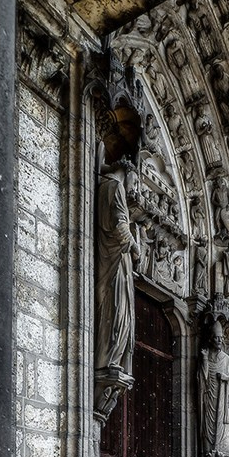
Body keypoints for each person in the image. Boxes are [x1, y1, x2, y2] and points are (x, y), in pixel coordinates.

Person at [95, 160, 139, 374]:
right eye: (136, 180)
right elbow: (119, 224)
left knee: (115, 310)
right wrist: (135, 245)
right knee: (119, 310)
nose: (135, 188)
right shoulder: (116, 186)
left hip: (112, 259)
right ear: (128, 173)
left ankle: (110, 357)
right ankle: (109, 358)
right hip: (117, 260)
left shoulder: (105, 186)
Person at [198, 321, 229, 457]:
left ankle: (222, 456)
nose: (219, 341)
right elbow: (201, 379)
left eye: (221, 338)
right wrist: (205, 360)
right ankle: (209, 453)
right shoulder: (205, 356)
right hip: (209, 399)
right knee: (208, 426)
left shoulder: (226, 359)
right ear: (211, 339)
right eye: (216, 338)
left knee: (222, 429)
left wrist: (226, 378)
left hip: (223, 400)